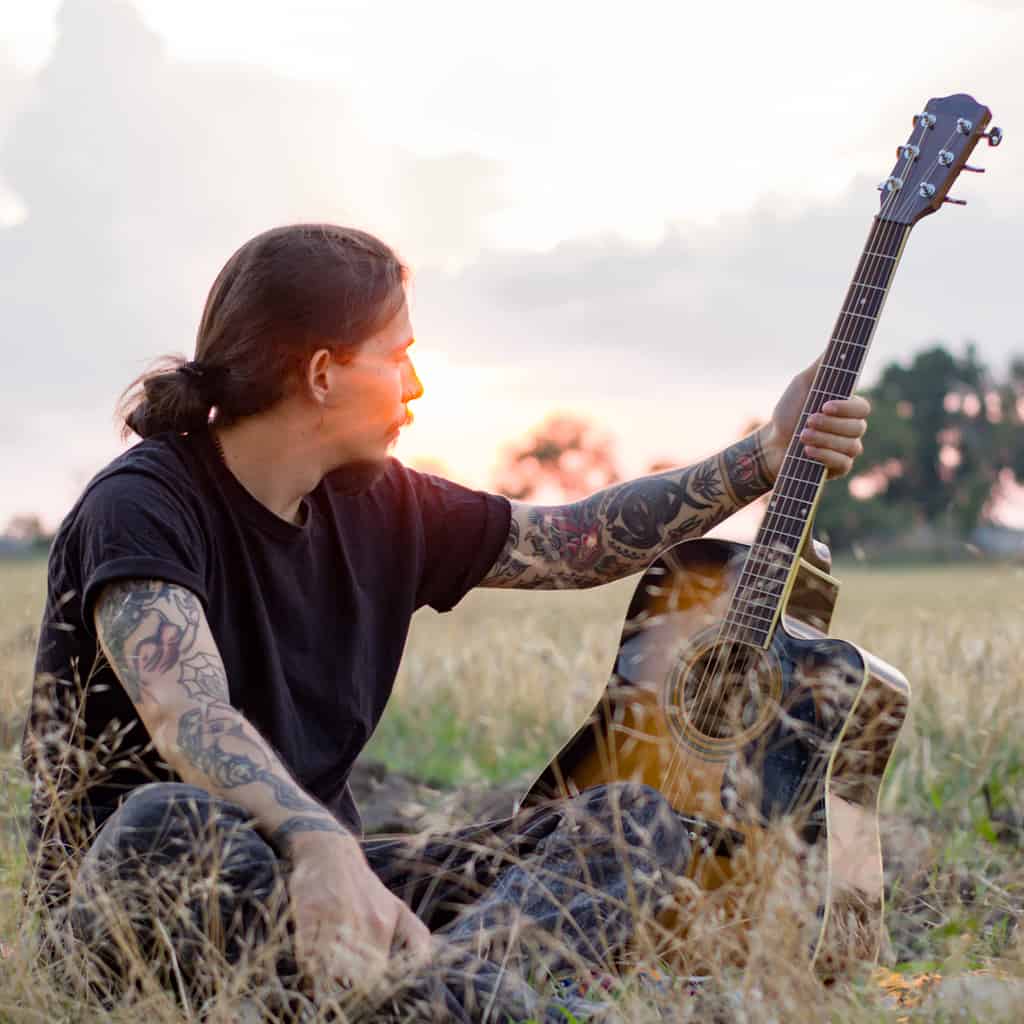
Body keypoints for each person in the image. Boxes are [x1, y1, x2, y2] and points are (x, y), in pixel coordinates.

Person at [22, 223, 870, 1020]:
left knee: (632, 822)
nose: (418, 385)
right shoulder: (143, 505)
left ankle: (429, 997)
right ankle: (470, 1001)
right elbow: (189, 715)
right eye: (400, 357)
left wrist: (767, 453)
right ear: (322, 374)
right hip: (148, 907)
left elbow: (578, 542)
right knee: (170, 821)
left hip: (336, 905)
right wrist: (322, 847)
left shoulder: (381, 503)